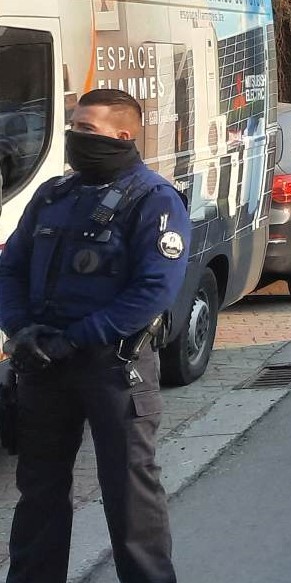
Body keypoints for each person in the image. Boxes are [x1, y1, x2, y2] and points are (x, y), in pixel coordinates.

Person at [0, 88, 189, 583]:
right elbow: (10, 269)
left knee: (130, 493)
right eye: (73, 126)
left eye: (86, 129)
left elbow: (154, 290)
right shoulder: (53, 196)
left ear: (123, 136)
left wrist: (79, 338)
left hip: (113, 368)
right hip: (42, 365)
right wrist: (21, 330)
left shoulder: (153, 199)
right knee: (39, 492)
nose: (72, 137)